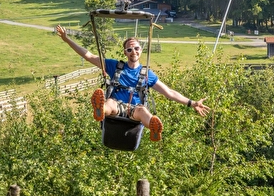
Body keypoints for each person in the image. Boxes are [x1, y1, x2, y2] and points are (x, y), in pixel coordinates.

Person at [56, 25, 210, 142]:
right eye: (129, 49)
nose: (133, 52)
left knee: (143, 112)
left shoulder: (147, 75)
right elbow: (89, 56)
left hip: (135, 109)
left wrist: (192, 103)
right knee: (109, 103)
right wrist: (66, 39)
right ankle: (100, 110)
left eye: (136, 48)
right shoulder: (115, 66)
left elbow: (169, 92)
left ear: (140, 50)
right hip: (117, 104)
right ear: (125, 52)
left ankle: (154, 128)